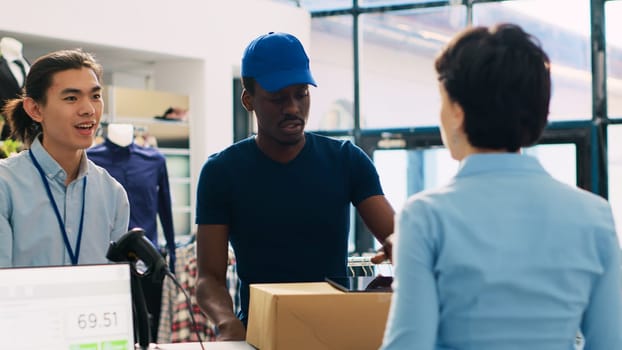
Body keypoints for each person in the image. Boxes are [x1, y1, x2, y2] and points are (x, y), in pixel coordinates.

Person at [380, 23, 622, 350]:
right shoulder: (595, 216)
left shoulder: (424, 217)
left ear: (456, 112)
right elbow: (610, 342)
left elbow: (408, 345)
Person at [195, 31, 395, 340]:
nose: (292, 108)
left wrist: (404, 246)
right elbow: (209, 279)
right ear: (249, 99)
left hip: (338, 335)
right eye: (278, 98)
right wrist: (226, 323)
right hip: (261, 336)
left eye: (301, 94)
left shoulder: (346, 160)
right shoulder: (222, 172)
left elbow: (396, 236)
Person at [0, 49, 130, 267]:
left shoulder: (112, 193)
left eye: (96, 96)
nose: (89, 110)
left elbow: (115, 283)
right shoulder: (6, 185)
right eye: (71, 98)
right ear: (34, 109)